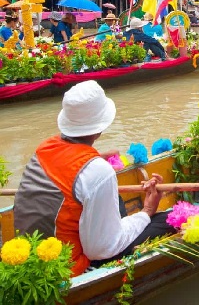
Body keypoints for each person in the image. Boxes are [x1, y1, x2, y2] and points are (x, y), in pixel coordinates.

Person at [14, 80, 176, 276]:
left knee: (114, 200)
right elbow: (100, 249)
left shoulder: (45, 147)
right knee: (169, 220)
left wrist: (96, 160)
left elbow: (66, 169)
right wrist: (147, 211)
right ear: (100, 127)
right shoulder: (98, 171)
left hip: (30, 251)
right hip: (69, 268)